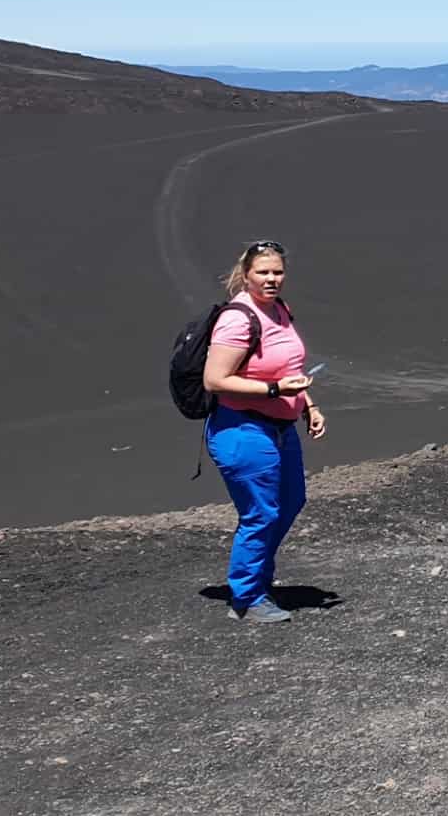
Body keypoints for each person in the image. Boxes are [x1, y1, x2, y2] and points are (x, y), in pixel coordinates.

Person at [200, 240, 325, 622]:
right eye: (263, 272)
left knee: (290, 501)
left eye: (278, 272)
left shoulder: (280, 311)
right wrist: (273, 391)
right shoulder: (239, 319)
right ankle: (247, 597)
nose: (272, 279)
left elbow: (288, 367)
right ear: (247, 274)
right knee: (261, 512)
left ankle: (256, 580)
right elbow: (214, 380)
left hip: (282, 427)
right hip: (242, 429)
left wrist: (308, 405)